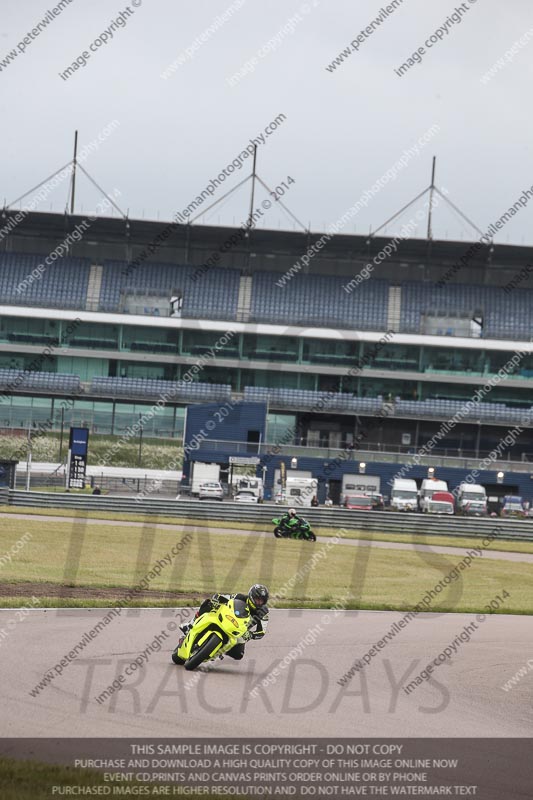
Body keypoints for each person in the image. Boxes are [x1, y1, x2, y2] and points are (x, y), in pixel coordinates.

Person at [178, 584, 269, 660]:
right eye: (257, 599)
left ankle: (219, 651)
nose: (259, 602)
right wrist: (217, 598)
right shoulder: (240, 597)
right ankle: (191, 623)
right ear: (252, 596)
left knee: (238, 655)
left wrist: (251, 635)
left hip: (240, 632)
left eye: (262, 601)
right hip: (227, 619)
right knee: (208, 603)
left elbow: (261, 632)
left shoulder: (263, 613)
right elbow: (225, 597)